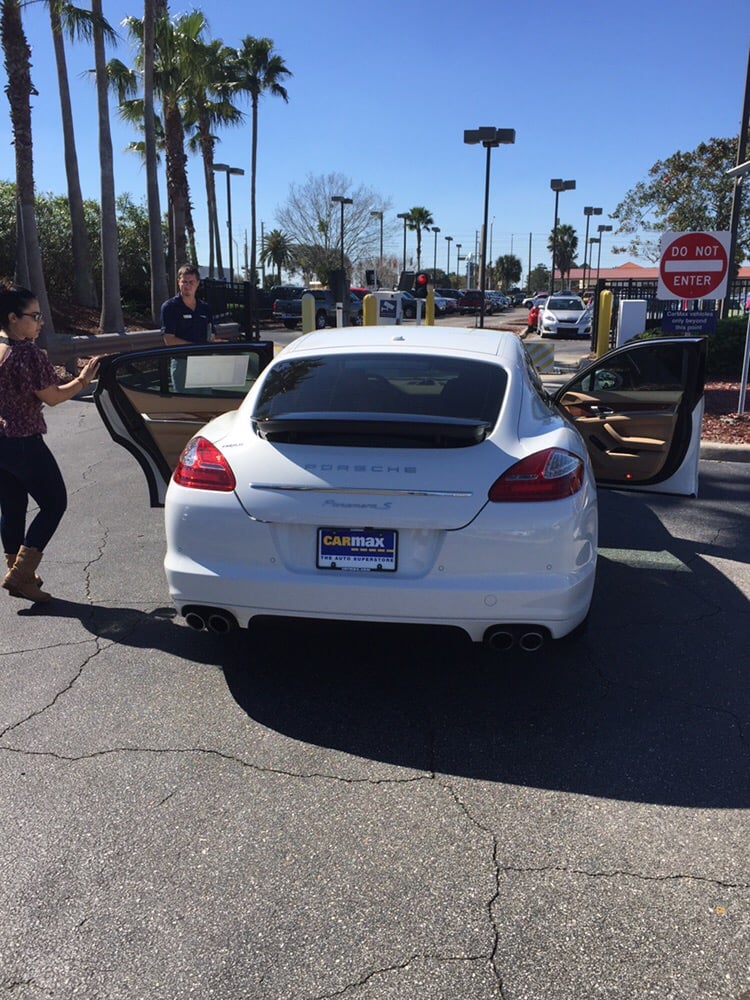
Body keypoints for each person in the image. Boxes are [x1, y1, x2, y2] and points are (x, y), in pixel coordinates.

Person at [0, 282, 100, 603]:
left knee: (13, 508)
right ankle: (22, 575)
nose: (41, 322)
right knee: (55, 502)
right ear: (13, 318)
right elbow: (54, 397)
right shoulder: (27, 353)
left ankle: (15, 571)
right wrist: (83, 379)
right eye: (35, 316)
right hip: (23, 441)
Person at [160, 264, 219, 391]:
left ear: (198, 283)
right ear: (178, 282)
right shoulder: (170, 307)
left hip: (204, 363)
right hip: (182, 363)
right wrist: (196, 347)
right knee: (185, 406)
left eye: (191, 282)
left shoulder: (205, 308)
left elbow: (211, 336)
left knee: (206, 405)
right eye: (184, 282)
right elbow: (169, 340)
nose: (187, 285)